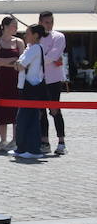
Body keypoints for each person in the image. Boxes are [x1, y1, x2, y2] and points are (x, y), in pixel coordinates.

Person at [13, 23, 48, 158]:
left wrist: (18, 64)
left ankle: (32, 149)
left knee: (28, 119)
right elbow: (19, 64)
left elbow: (20, 65)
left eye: (27, 33)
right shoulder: (30, 48)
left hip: (31, 87)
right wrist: (18, 64)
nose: (25, 36)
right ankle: (22, 148)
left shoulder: (35, 48)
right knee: (24, 118)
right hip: (25, 86)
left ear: (36, 35)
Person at [0, 16, 22, 151]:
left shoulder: (19, 42)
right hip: (1, 80)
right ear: (5, 26)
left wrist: (6, 61)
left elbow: (21, 61)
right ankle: (3, 140)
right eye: (14, 25)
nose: (16, 28)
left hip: (16, 80)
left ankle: (15, 139)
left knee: (15, 109)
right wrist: (12, 61)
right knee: (1, 110)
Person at [38, 11, 67, 155]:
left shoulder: (59, 36)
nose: (49, 25)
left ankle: (61, 142)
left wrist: (39, 58)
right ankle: (44, 141)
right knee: (41, 111)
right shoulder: (36, 37)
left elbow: (54, 55)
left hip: (54, 79)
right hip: (38, 79)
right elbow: (31, 53)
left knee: (55, 110)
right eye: (46, 22)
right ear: (40, 22)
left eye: (51, 22)